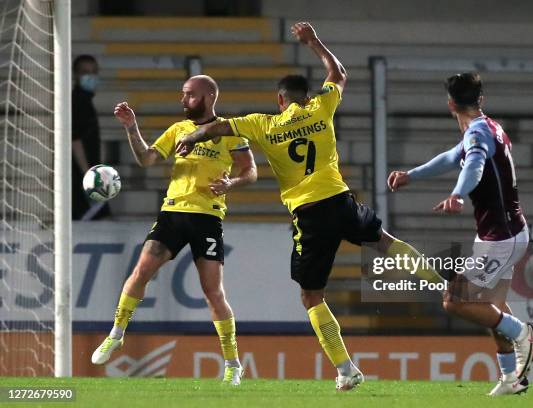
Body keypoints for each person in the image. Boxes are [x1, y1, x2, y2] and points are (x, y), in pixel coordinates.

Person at [175, 22, 436, 391]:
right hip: (340, 200)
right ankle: (441, 284)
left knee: (311, 295)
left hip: (309, 214)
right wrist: (313, 41)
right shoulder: (321, 107)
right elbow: (339, 73)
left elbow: (218, 128)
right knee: (383, 241)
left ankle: (346, 368)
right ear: (304, 95)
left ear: (280, 100)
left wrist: (193, 135)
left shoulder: (263, 123)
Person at [91, 75, 257, 386]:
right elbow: (147, 159)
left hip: (207, 217)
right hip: (172, 213)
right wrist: (131, 128)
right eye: (183, 94)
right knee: (142, 269)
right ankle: (116, 334)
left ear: (208, 96)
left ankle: (233, 363)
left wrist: (231, 183)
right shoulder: (178, 130)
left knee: (213, 291)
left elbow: (251, 171)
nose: (183, 101)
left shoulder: (228, 132)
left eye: (189, 95)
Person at [387, 73, 533, 396]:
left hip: (501, 238)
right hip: (509, 232)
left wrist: (457, 193)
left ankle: (523, 332)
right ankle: (511, 377)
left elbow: (474, 165)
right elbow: (452, 157)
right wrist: (410, 176)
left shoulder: (476, 135)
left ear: (450, 104)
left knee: (454, 300)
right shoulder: (489, 128)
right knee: (489, 307)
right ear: (480, 100)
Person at [72, 54, 111, 220]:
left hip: (89, 174)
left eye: (94, 72)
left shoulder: (86, 101)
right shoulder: (78, 101)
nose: (91, 76)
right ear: (75, 75)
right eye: (85, 72)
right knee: (100, 220)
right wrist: (89, 175)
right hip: (81, 177)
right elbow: (75, 141)